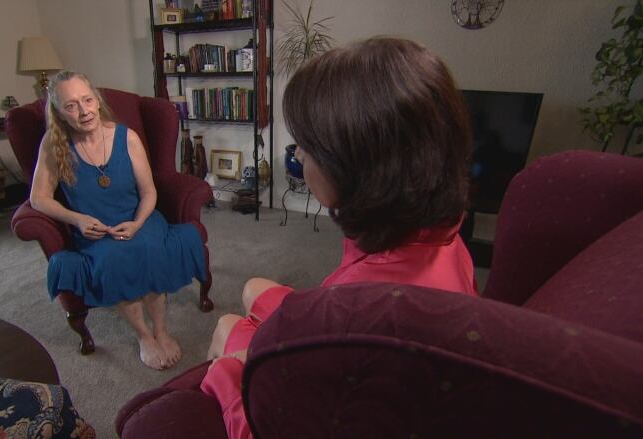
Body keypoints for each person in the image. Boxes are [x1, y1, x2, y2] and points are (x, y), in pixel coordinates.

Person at [200, 37, 479, 438]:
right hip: (371, 334)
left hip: (343, 349)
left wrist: (228, 375)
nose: (299, 160)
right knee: (252, 288)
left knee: (227, 328)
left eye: (305, 149)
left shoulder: (352, 312)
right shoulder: (443, 229)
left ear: (353, 168)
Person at [30, 70, 206, 370]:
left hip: (140, 218)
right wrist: (77, 220)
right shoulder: (53, 144)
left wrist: (137, 223)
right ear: (59, 112)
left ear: (97, 100)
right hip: (95, 228)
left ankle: (161, 330)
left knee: (149, 247)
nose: (84, 111)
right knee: (113, 257)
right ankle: (143, 336)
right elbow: (39, 198)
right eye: (71, 105)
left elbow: (149, 192)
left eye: (87, 100)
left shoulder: (127, 137)